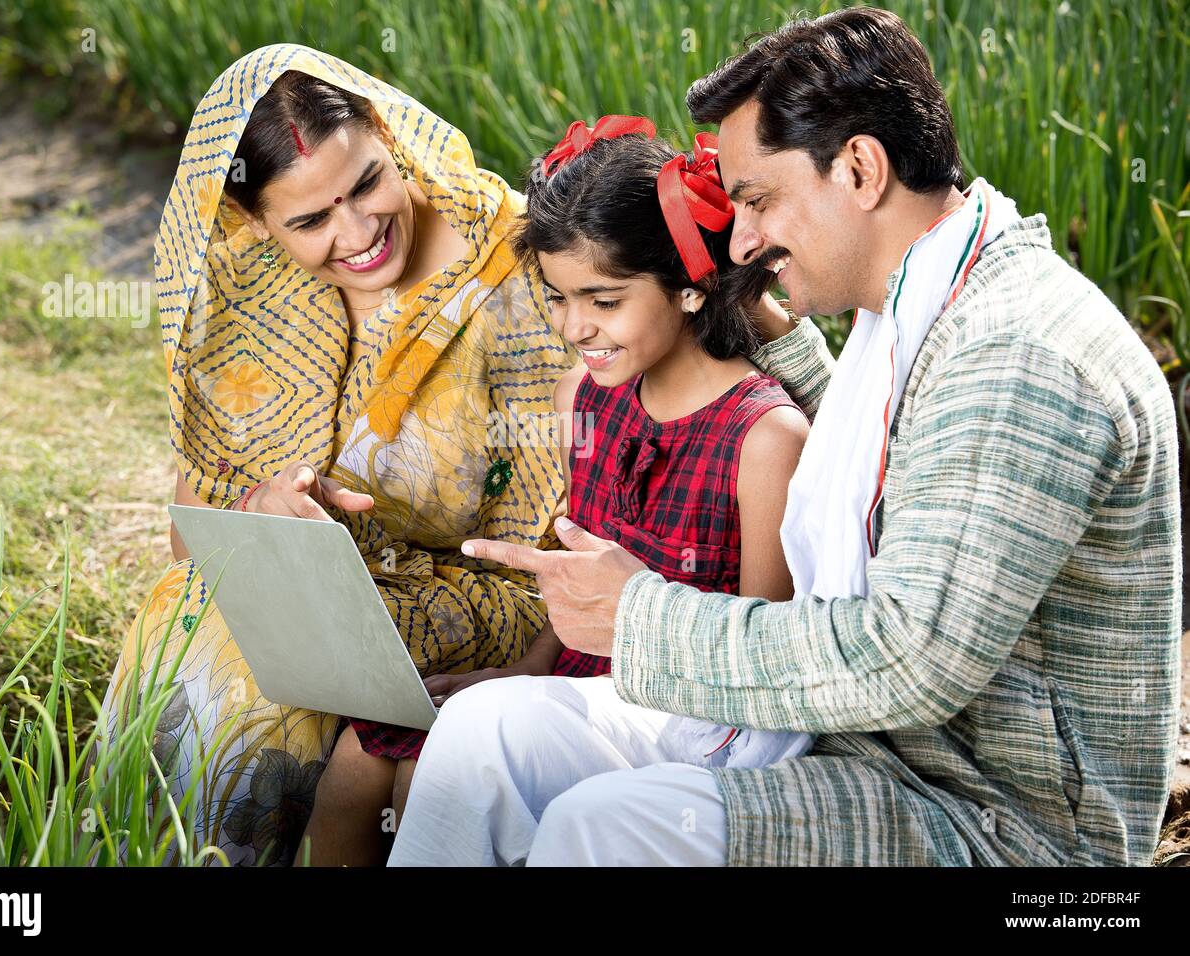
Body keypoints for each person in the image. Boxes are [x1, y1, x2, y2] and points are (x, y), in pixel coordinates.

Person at [389, 7, 1181, 867]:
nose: (741, 236)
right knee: (486, 737)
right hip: (874, 761)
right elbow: (894, 469)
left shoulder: (1021, 354)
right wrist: (762, 327)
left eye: (759, 200)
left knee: (607, 825)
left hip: (999, 830)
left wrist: (643, 618)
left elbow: (909, 658)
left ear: (859, 168)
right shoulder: (937, 299)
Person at [102, 44, 573, 867]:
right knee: (187, 617)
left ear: (392, 136)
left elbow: (568, 524)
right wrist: (257, 516)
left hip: (502, 595)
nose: (359, 233)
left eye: (368, 184)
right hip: (322, 593)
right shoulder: (250, 296)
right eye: (311, 221)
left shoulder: (522, 263)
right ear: (255, 222)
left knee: (259, 696)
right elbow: (190, 538)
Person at [419, 118, 813, 779]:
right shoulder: (585, 394)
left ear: (691, 286)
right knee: (398, 755)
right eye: (559, 299)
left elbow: (756, 663)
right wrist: (524, 674)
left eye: (603, 300)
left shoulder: (766, 440)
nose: (576, 326)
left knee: (472, 755)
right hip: (574, 684)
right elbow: (586, 581)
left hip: (690, 722)